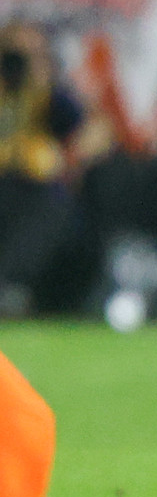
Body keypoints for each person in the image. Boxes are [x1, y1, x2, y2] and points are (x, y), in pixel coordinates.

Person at [0, 21, 84, 316]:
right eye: (13, 55)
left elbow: (80, 126)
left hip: (35, 192)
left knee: (53, 203)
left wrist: (40, 84)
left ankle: (8, 287)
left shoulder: (48, 97)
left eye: (32, 55)